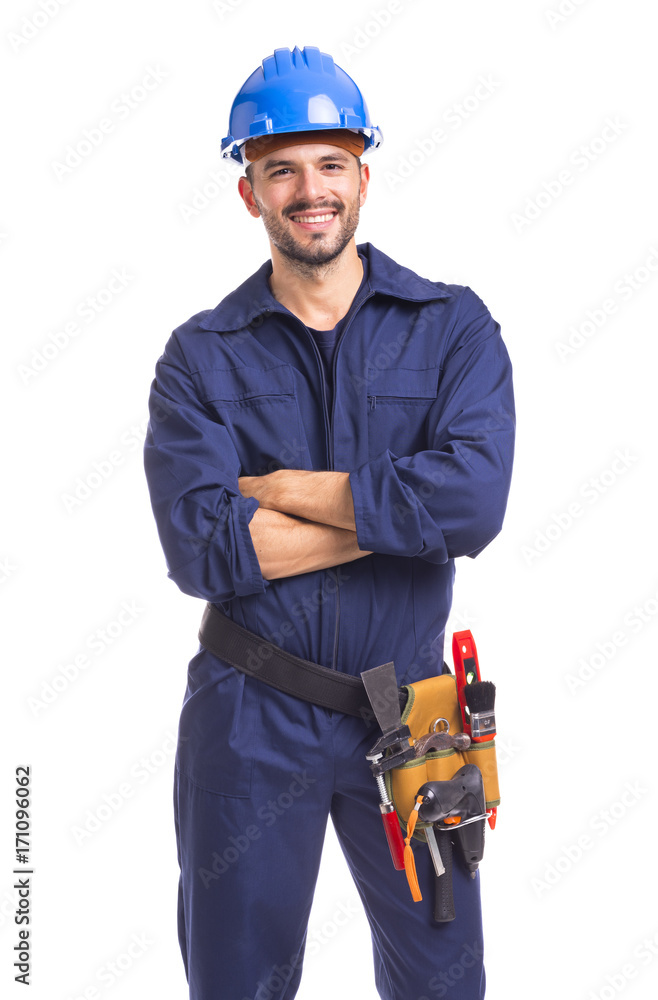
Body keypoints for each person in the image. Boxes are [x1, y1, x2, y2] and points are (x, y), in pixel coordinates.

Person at [143, 45, 515, 1000]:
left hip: (418, 709)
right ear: (250, 194)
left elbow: (474, 504)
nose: (310, 190)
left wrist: (282, 488)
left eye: (329, 164)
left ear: (362, 174)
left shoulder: (453, 328)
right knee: (236, 982)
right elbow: (203, 549)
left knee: (445, 980)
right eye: (281, 169)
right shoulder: (200, 358)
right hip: (249, 710)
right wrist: (400, 516)